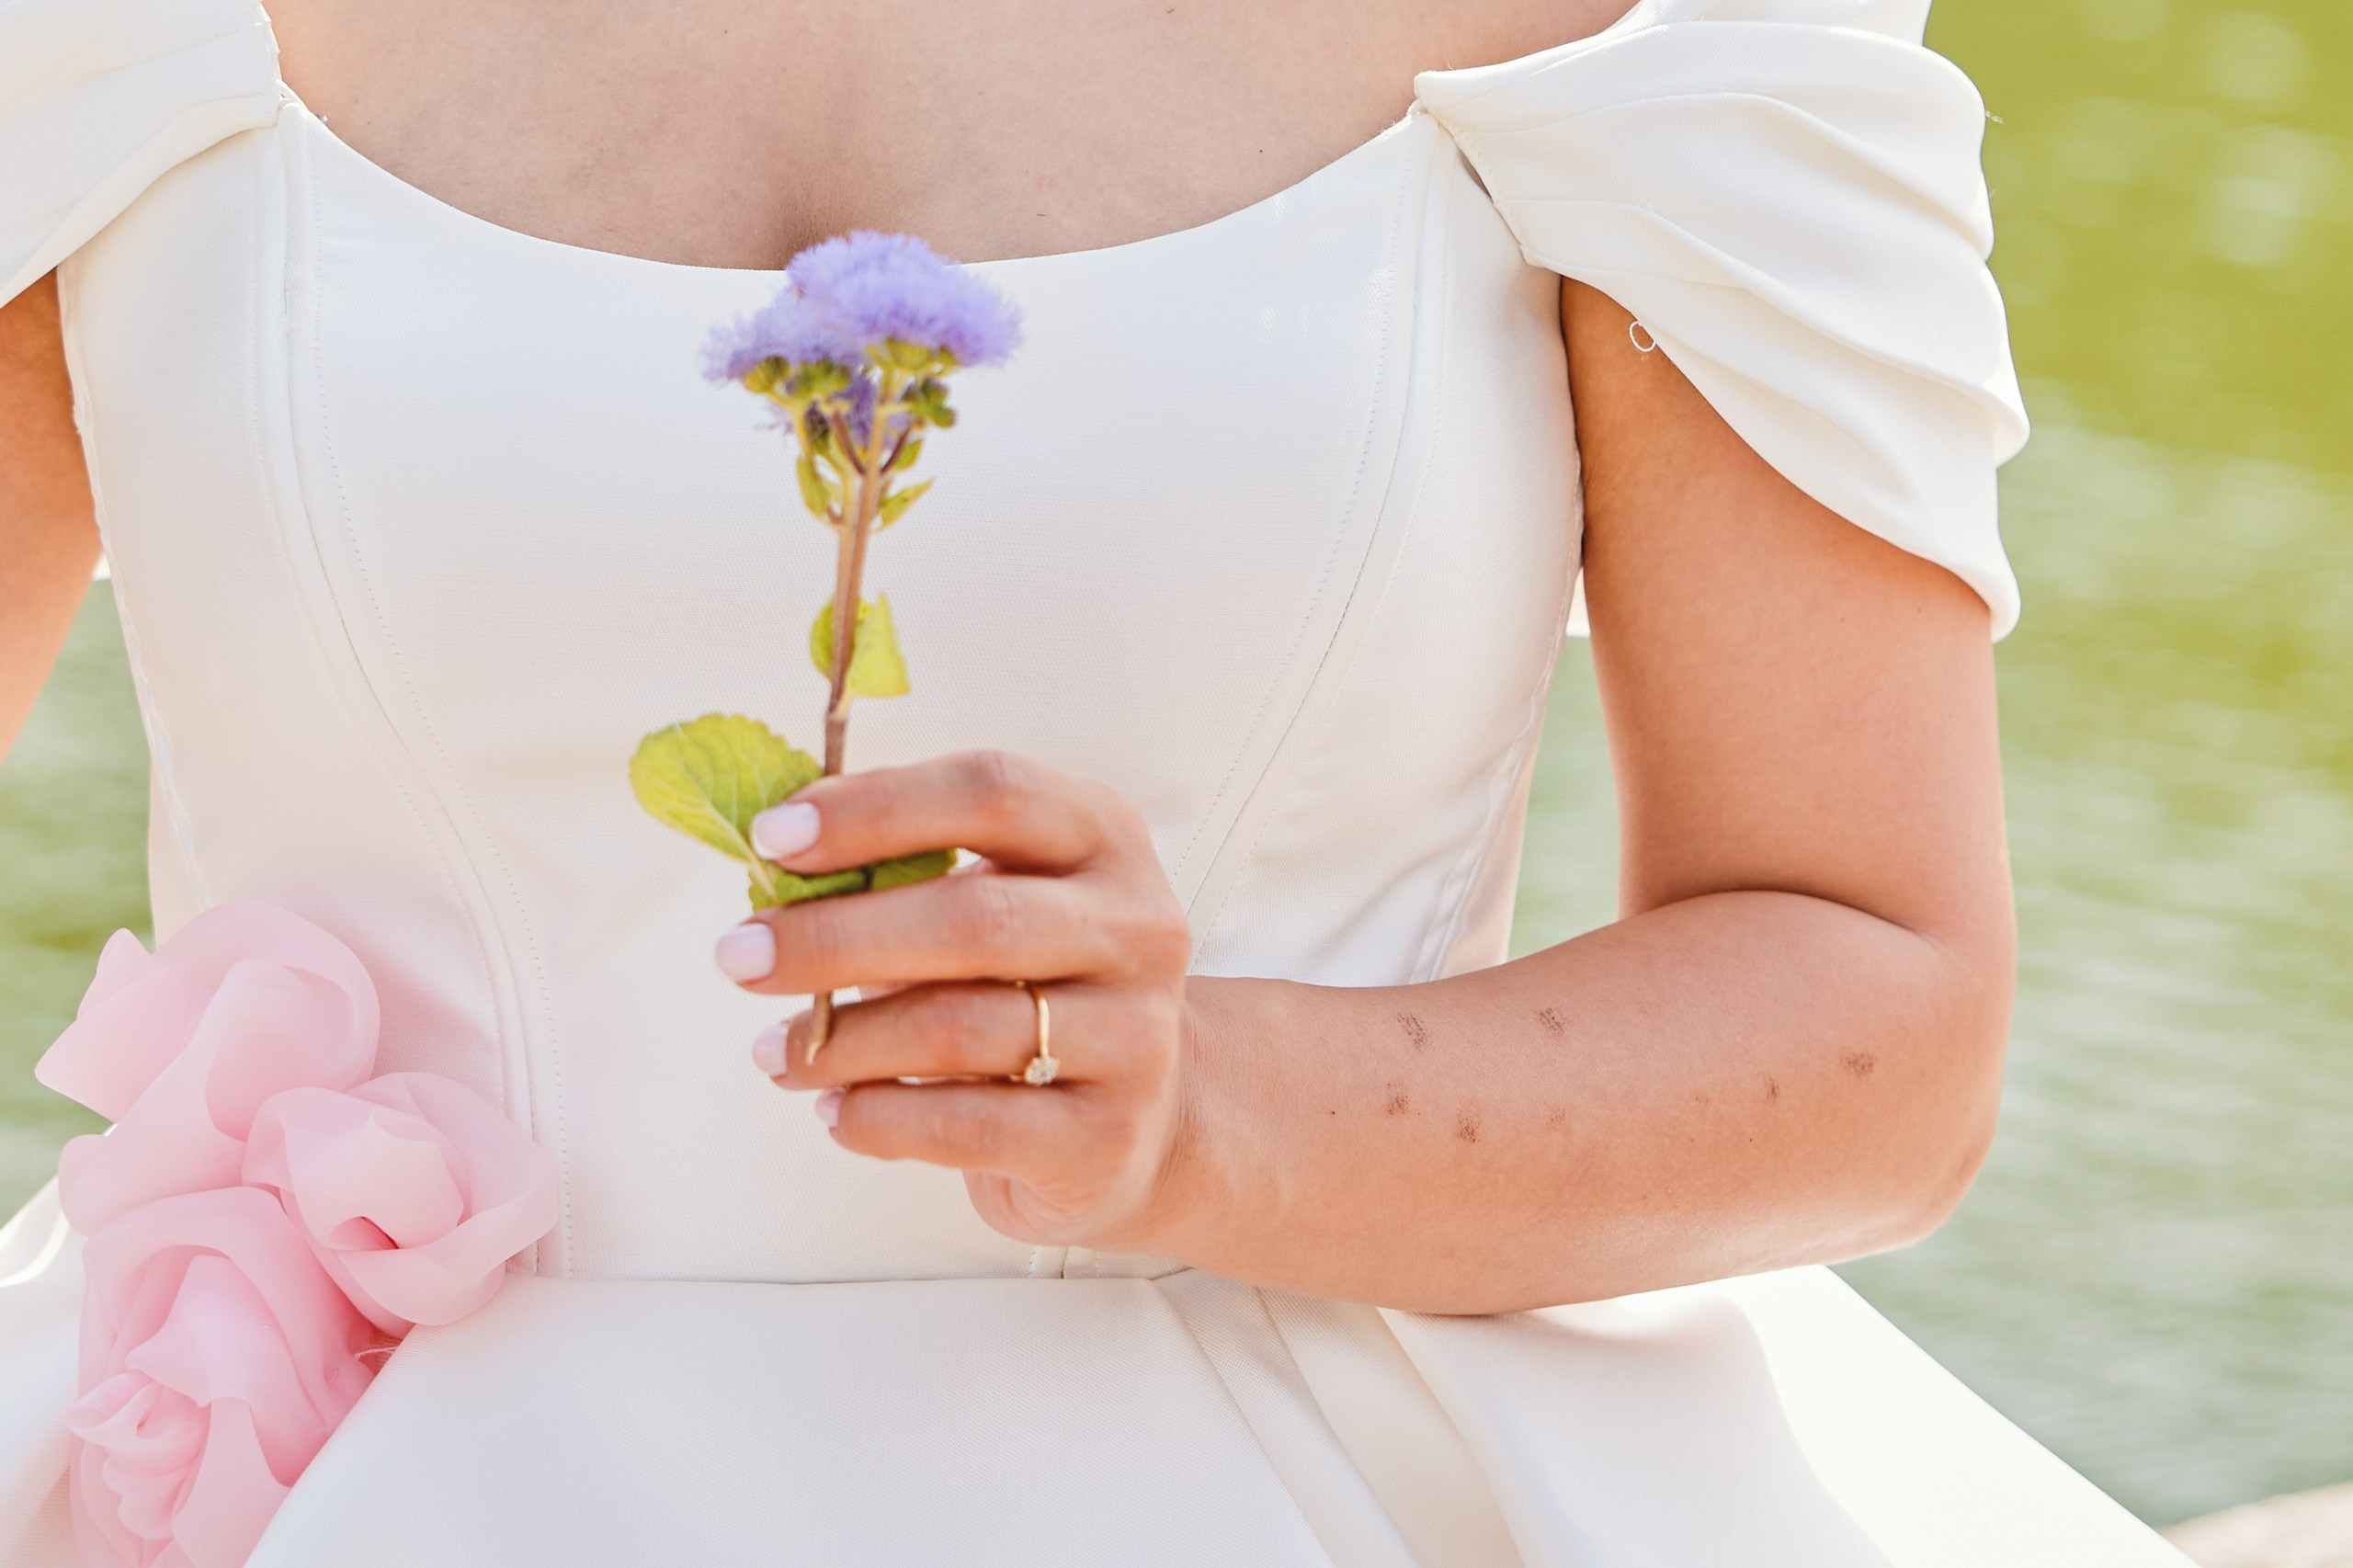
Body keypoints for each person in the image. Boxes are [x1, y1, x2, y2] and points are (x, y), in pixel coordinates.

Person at [0, 0, 2192, 1561]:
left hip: (1299, 1482)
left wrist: (1212, 1103)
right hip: (274, 1477)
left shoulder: (1639, 24)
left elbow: (1879, 1007)